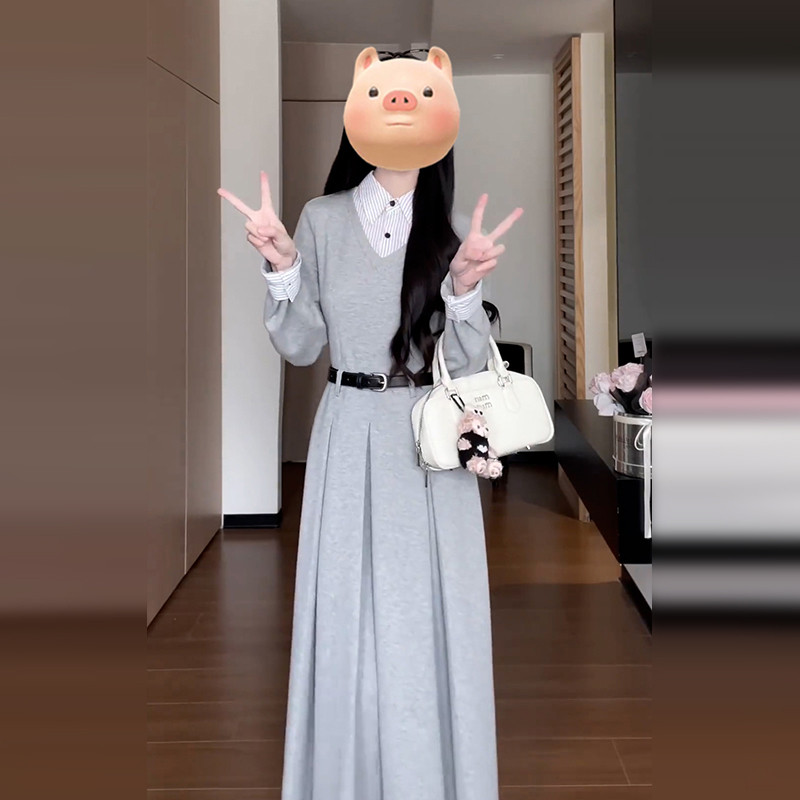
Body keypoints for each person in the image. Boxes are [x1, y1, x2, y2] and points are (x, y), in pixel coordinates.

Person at [218, 47, 523, 800]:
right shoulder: (320, 219)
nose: (401, 106)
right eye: (385, 92)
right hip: (348, 427)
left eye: (419, 93)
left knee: (432, 613)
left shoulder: (453, 233)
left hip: (430, 439)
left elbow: (466, 366)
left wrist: (462, 290)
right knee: (347, 611)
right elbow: (301, 346)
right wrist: (283, 266)